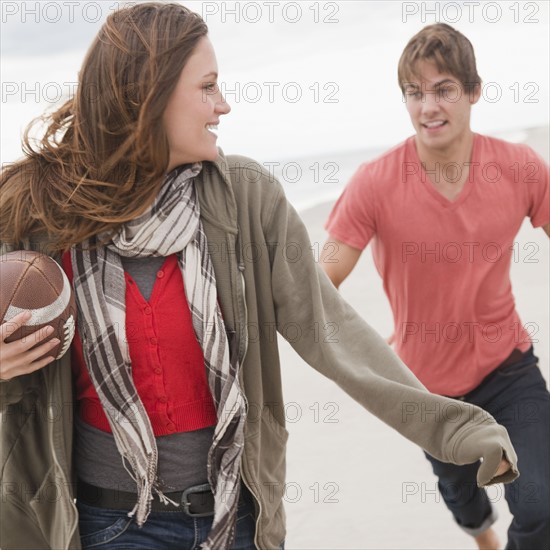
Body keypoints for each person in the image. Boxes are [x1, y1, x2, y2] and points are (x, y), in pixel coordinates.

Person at [0, 6, 516, 550]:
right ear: (149, 96)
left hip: (235, 519)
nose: (224, 105)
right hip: (109, 527)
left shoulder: (245, 199)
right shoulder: (35, 216)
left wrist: (456, 429)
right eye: (208, 87)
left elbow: (332, 332)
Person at [321, 22, 550, 550]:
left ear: (473, 91)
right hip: (426, 389)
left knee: (539, 504)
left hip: (508, 366)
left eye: (443, 89)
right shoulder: (375, 183)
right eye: (414, 92)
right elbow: (317, 284)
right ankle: (482, 538)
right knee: (465, 497)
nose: (428, 106)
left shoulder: (518, 167)